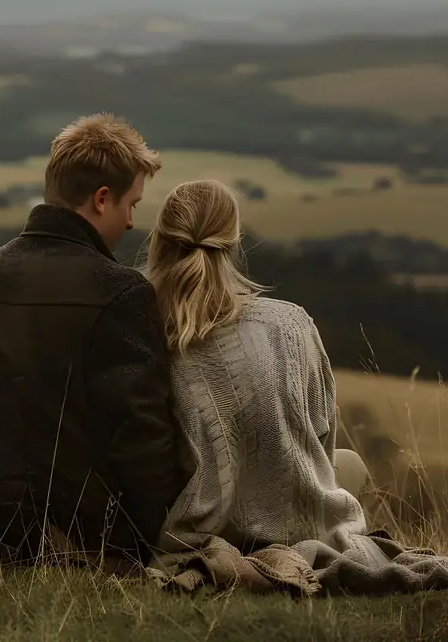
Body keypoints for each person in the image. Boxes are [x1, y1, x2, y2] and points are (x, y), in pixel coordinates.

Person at [0, 114, 182, 570]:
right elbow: (142, 440)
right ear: (102, 199)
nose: (131, 222)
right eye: (132, 204)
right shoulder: (121, 292)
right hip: (68, 544)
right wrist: (152, 550)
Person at [144, 179, 369, 558]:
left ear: (160, 239)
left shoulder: (143, 327)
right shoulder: (291, 325)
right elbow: (320, 433)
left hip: (187, 528)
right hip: (299, 528)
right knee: (350, 464)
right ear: (232, 244)